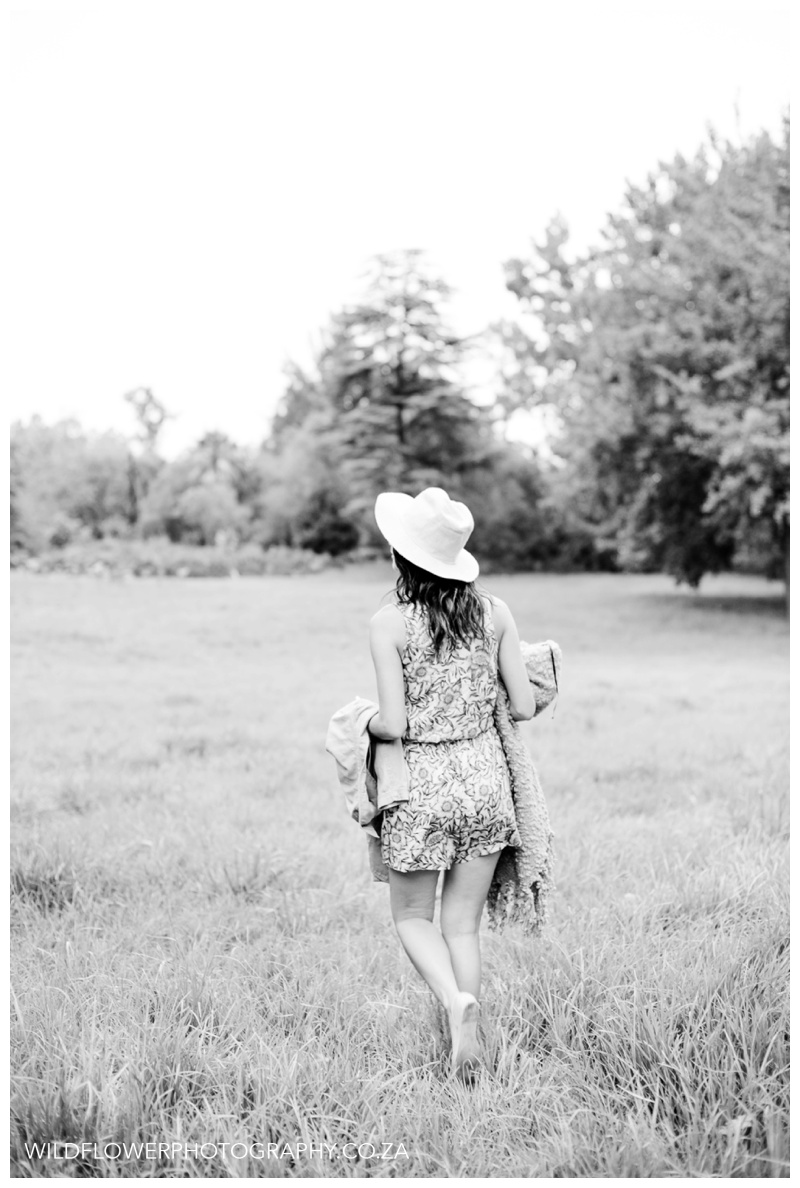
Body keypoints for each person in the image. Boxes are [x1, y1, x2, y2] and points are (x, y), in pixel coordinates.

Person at [367, 487, 536, 1081]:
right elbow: (523, 706)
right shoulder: (496, 613)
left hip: (421, 790)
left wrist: (361, 721)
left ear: (401, 556)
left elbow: (394, 724)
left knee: (413, 917)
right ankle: (472, 1044)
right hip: (486, 785)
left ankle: (453, 1002)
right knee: (462, 924)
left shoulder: (389, 623)